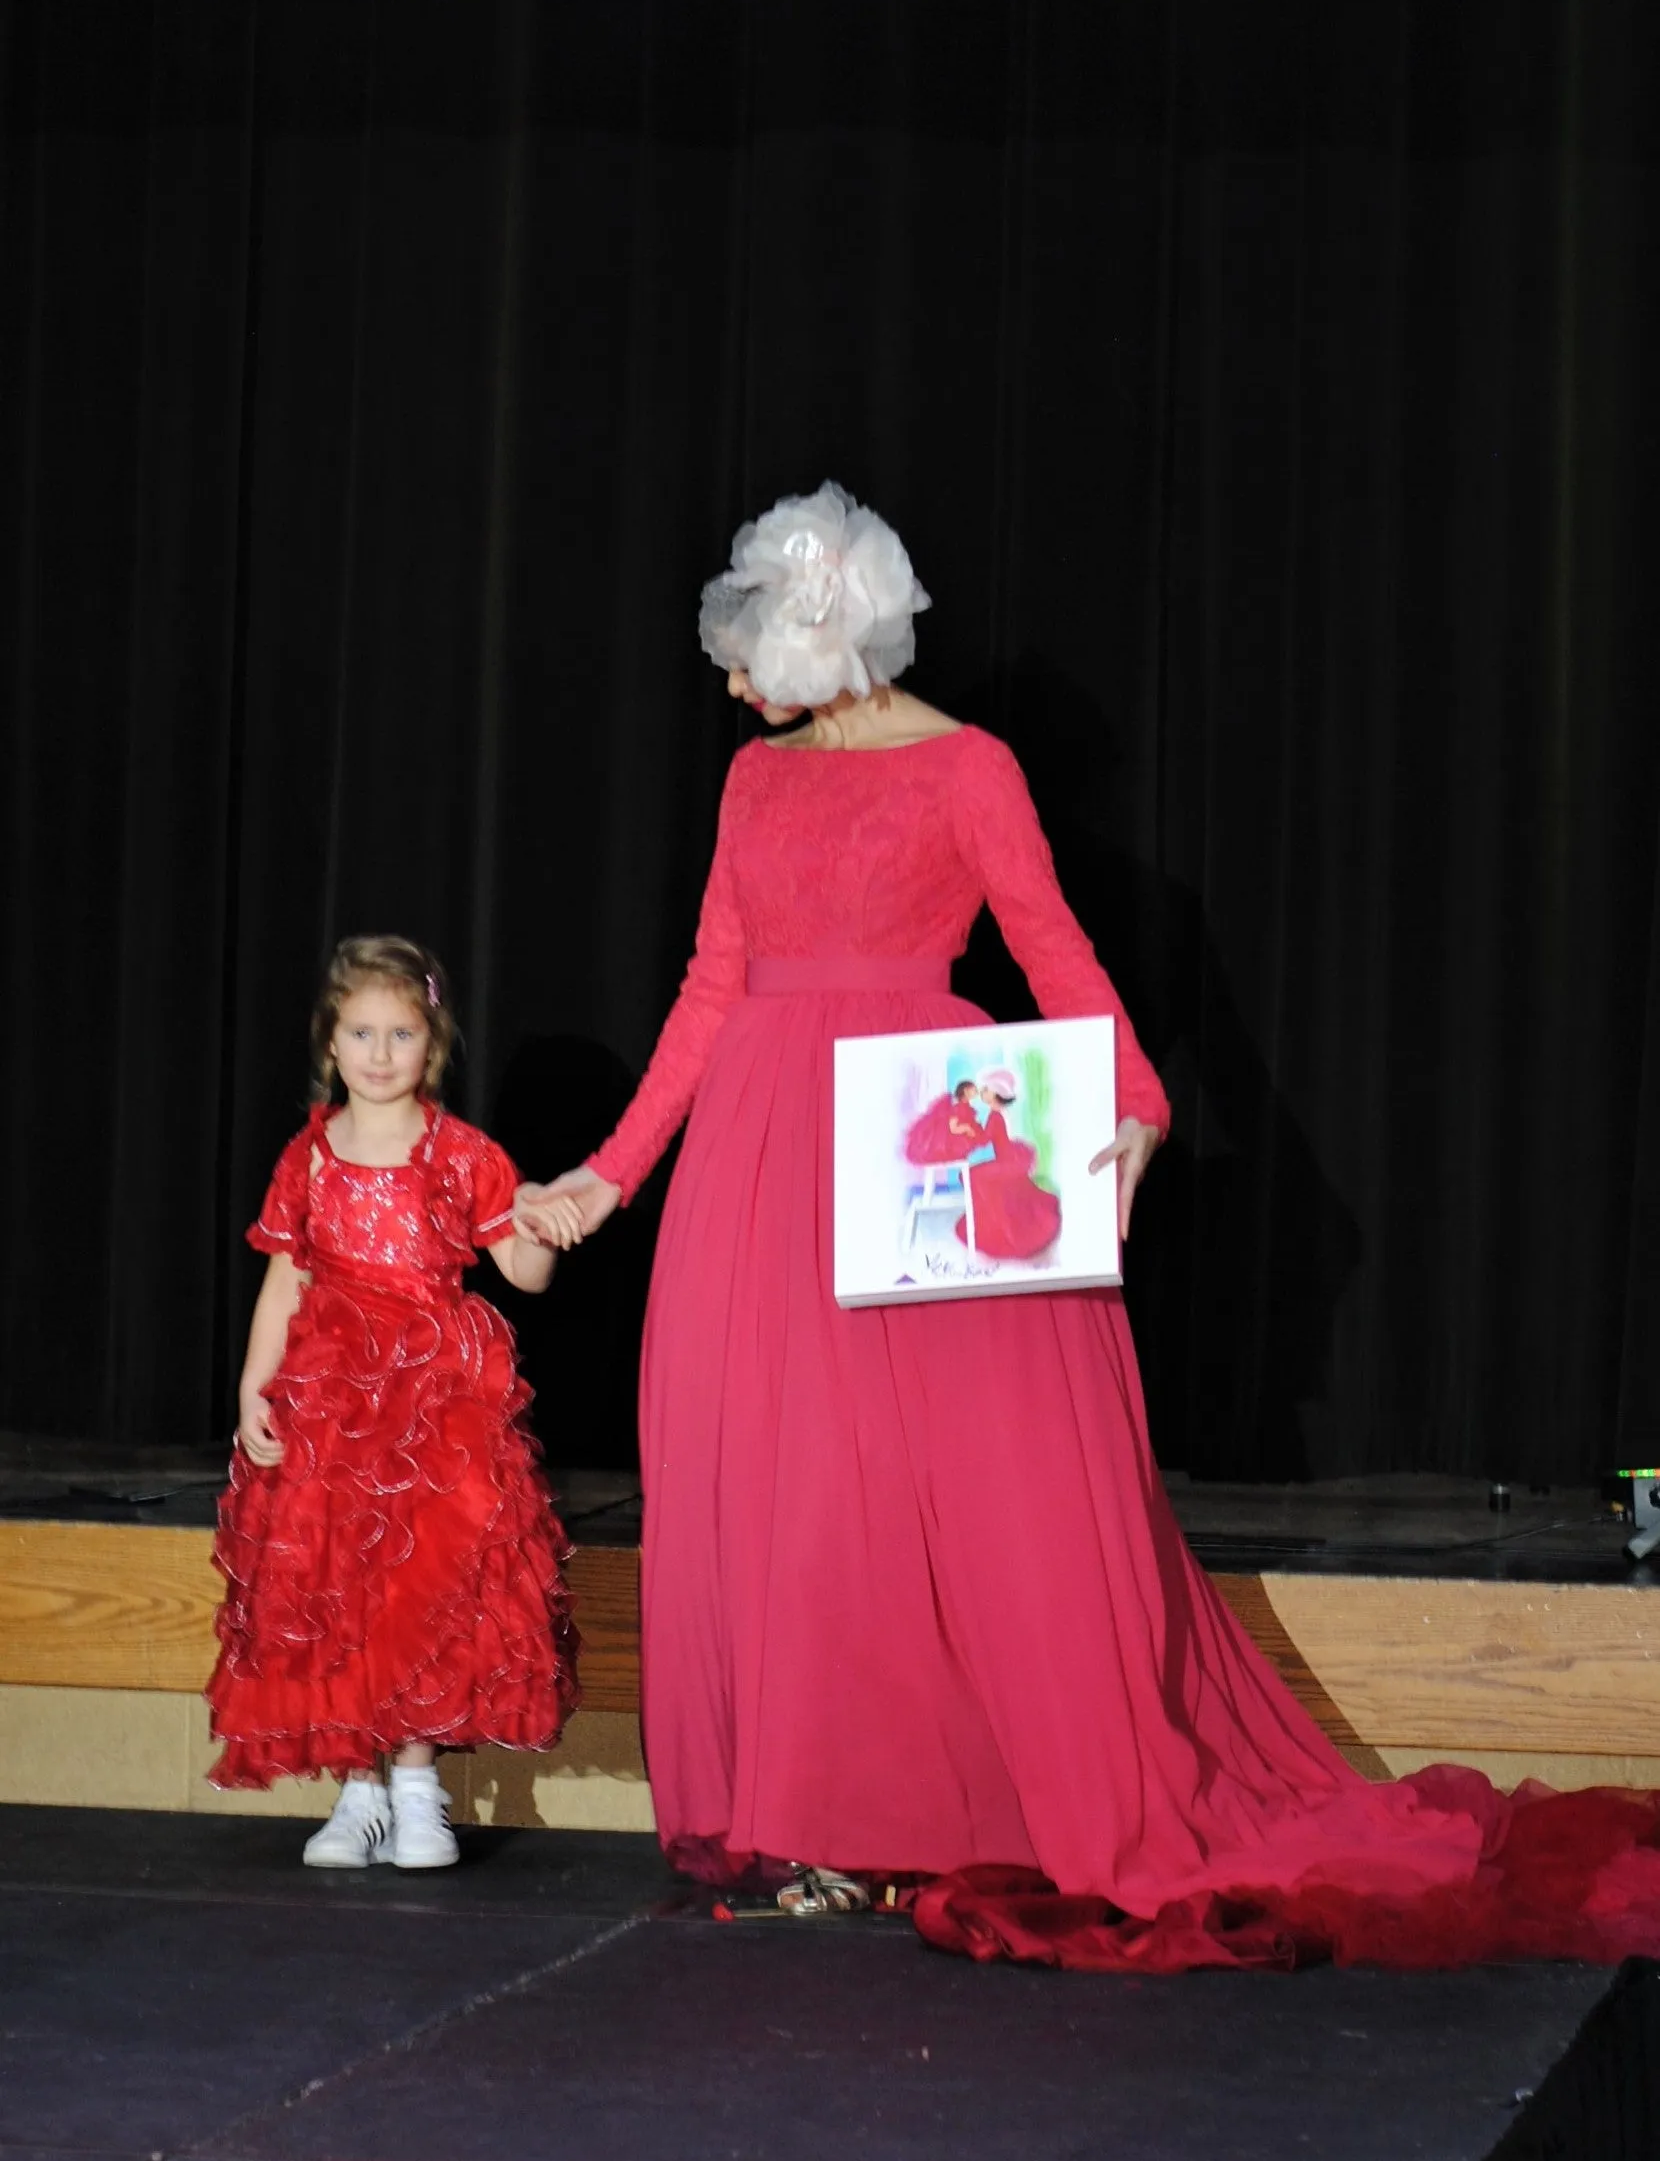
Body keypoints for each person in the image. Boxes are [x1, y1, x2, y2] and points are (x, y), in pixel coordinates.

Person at [518, 483, 1660, 1967]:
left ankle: (930, 1803)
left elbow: (1054, 945)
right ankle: (813, 1815)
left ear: (821, 632)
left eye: (748, 645)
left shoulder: (971, 769)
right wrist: (606, 1177)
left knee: (943, 1493)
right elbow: (707, 988)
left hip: (909, 1135)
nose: (733, 681)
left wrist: (1132, 1096)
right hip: (756, 1150)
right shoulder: (755, 784)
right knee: (785, 1485)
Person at [209, 935, 582, 1870]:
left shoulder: (460, 1153)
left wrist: (541, 1222)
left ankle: (418, 1789)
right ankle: (360, 1791)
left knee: (423, 1591)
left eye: (402, 1033)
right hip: (330, 1405)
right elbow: (285, 1277)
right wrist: (256, 1386)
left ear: (434, 1042)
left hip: (434, 1404)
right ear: (331, 1044)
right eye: (362, 1033)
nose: (380, 1053)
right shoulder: (310, 1155)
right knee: (338, 1591)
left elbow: (521, 1273)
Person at [955, 1069, 1061, 1260]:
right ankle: (996, 1219)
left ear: (996, 1093)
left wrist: (969, 1132)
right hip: (1008, 1156)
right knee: (994, 1184)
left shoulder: (995, 1115)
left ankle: (998, 1224)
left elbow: (985, 1138)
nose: (981, 1092)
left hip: (1006, 1159)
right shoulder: (999, 1113)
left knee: (973, 1177)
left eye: (985, 1089)